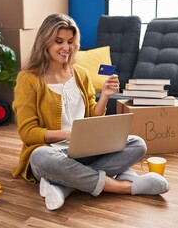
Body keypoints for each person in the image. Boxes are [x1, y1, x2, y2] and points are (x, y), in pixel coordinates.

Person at [11, 14, 169, 210]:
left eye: (70, 42)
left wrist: (105, 97)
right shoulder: (28, 79)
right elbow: (27, 132)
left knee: (138, 144)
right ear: (45, 42)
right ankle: (124, 186)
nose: (66, 48)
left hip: (86, 150)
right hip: (53, 153)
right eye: (59, 41)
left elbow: (94, 116)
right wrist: (68, 134)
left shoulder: (80, 74)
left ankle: (63, 184)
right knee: (39, 157)